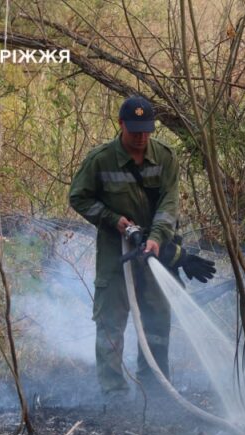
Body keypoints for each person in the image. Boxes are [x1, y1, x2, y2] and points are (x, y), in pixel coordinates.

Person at [69, 95, 178, 398]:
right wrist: (114, 220)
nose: (142, 137)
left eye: (147, 130)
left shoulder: (165, 158)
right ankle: (114, 393)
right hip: (115, 255)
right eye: (135, 131)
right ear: (120, 125)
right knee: (110, 321)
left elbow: (169, 204)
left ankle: (155, 388)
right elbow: (78, 198)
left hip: (152, 252)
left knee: (157, 317)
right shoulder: (101, 159)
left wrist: (155, 237)